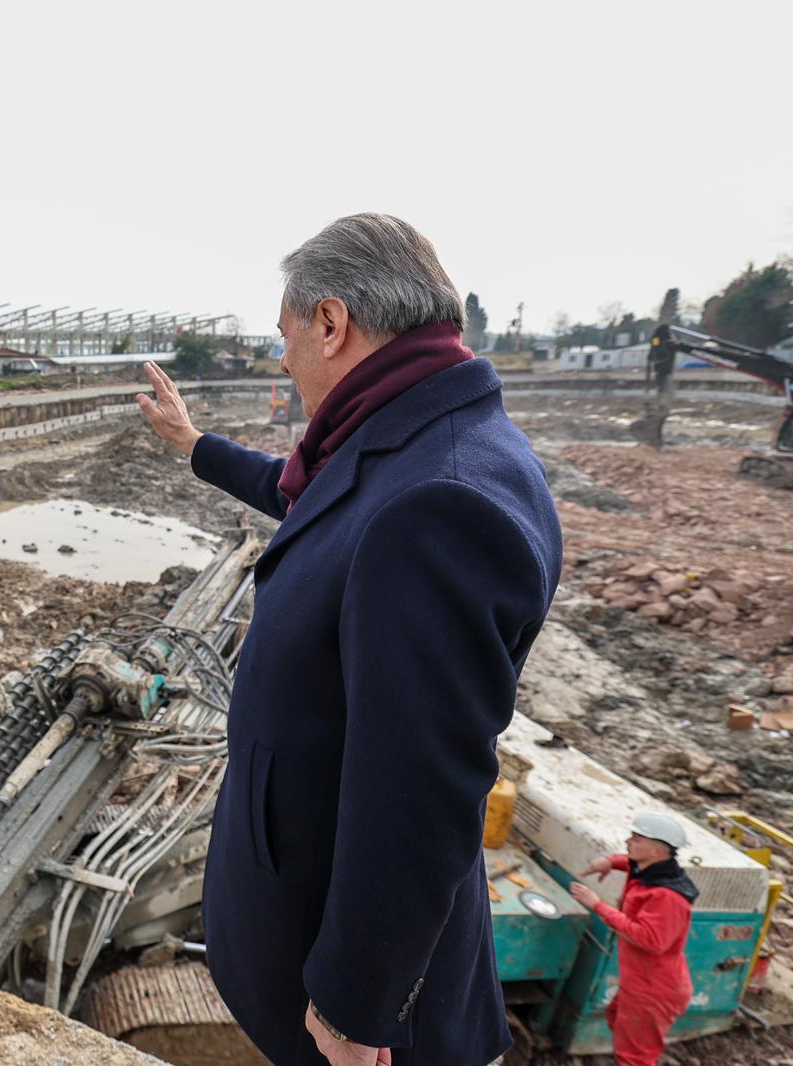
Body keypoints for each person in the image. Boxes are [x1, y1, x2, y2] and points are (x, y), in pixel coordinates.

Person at [135, 213, 563, 1066]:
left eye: (286, 335)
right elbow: (323, 503)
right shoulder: (405, 438)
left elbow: (421, 786)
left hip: (353, 1025)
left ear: (331, 323)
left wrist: (355, 1007)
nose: (283, 360)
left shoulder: (440, 502)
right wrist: (196, 449)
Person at [569, 813, 698, 1066]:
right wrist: (609, 862)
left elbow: (651, 940)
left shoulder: (666, 895)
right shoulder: (653, 870)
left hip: (652, 990)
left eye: (637, 838)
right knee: (616, 1018)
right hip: (640, 982)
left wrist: (598, 905)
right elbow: (631, 864)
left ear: (657, 851)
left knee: (635, 1058)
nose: (628, 841)